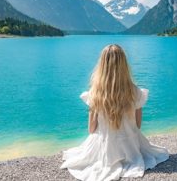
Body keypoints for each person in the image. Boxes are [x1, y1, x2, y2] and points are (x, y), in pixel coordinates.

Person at [60, 44, 169, 181]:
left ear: (102, 66)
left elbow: (91, 129)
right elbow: (138, 125)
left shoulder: (95, 94)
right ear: (124, 65)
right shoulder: (136, 92)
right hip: (131, 147)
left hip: (106, 149)